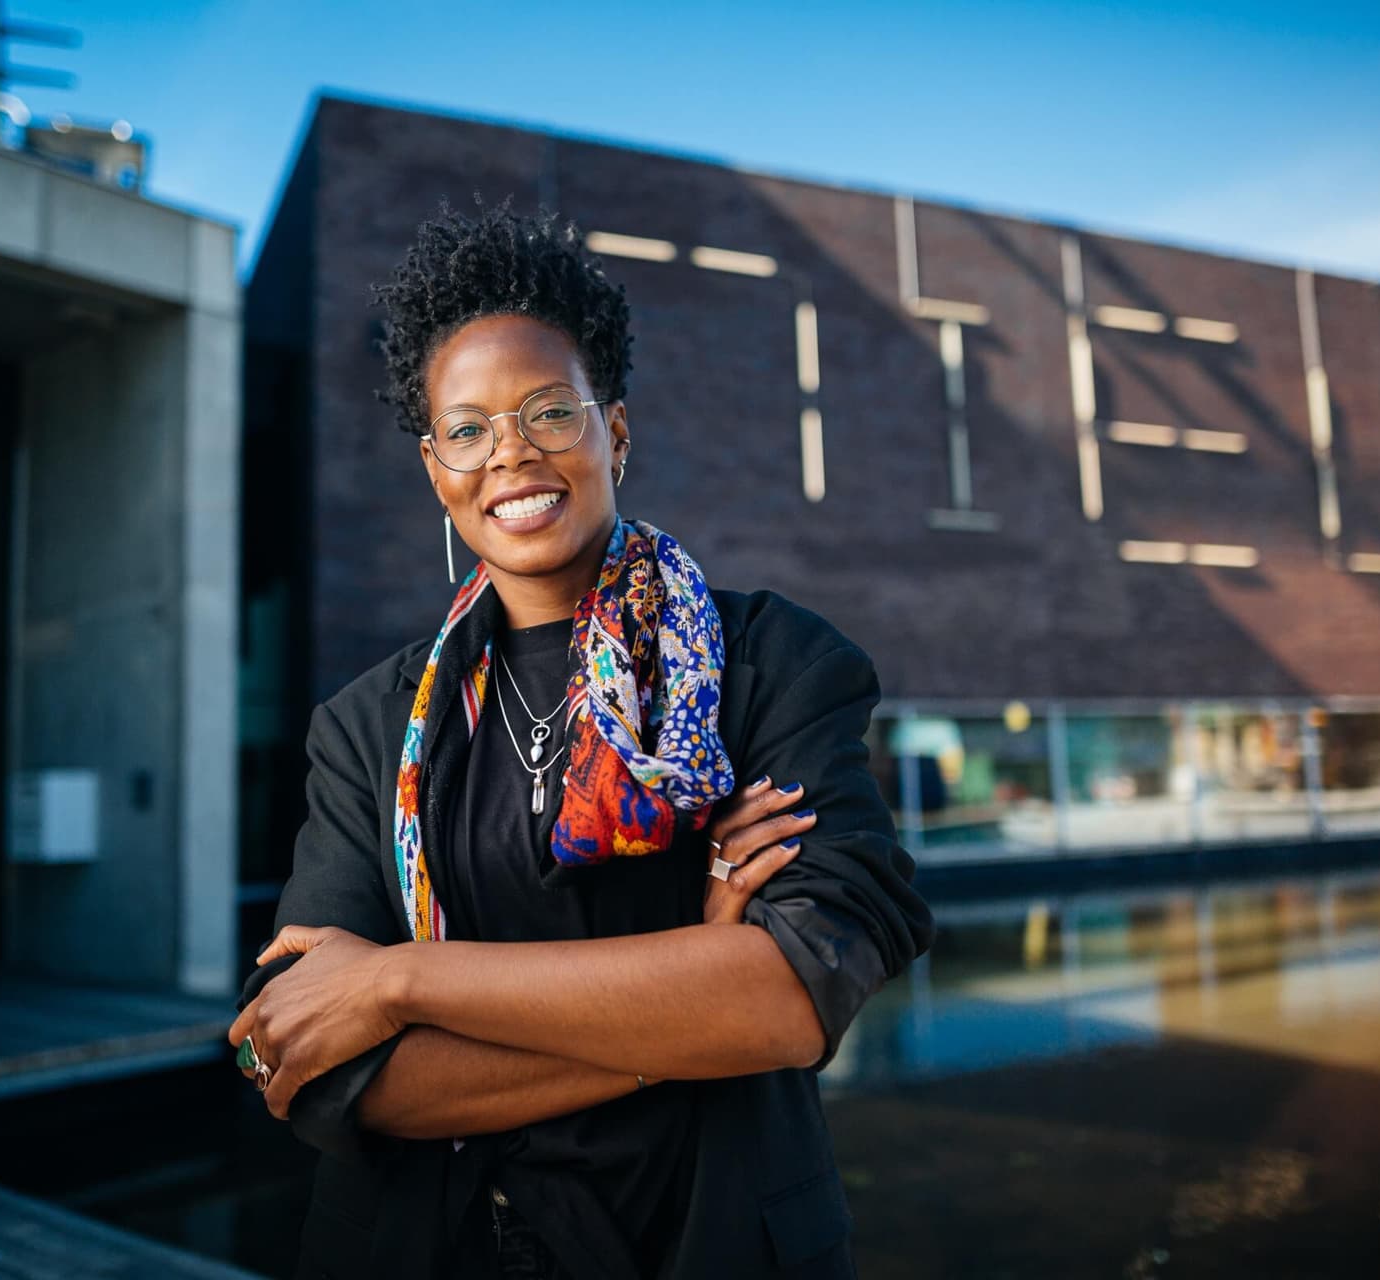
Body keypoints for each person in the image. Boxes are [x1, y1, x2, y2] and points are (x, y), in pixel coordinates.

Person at [228, 197, 934, 1280]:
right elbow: (320, 1069)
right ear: (434, 468)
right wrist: (676, 1025)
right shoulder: (368, 727)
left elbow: (792, 996)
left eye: (550, 411)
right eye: (469, 429)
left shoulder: (774, 665)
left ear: (615, 429)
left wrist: (400, 982)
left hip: (707, 1244)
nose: (511, 454)